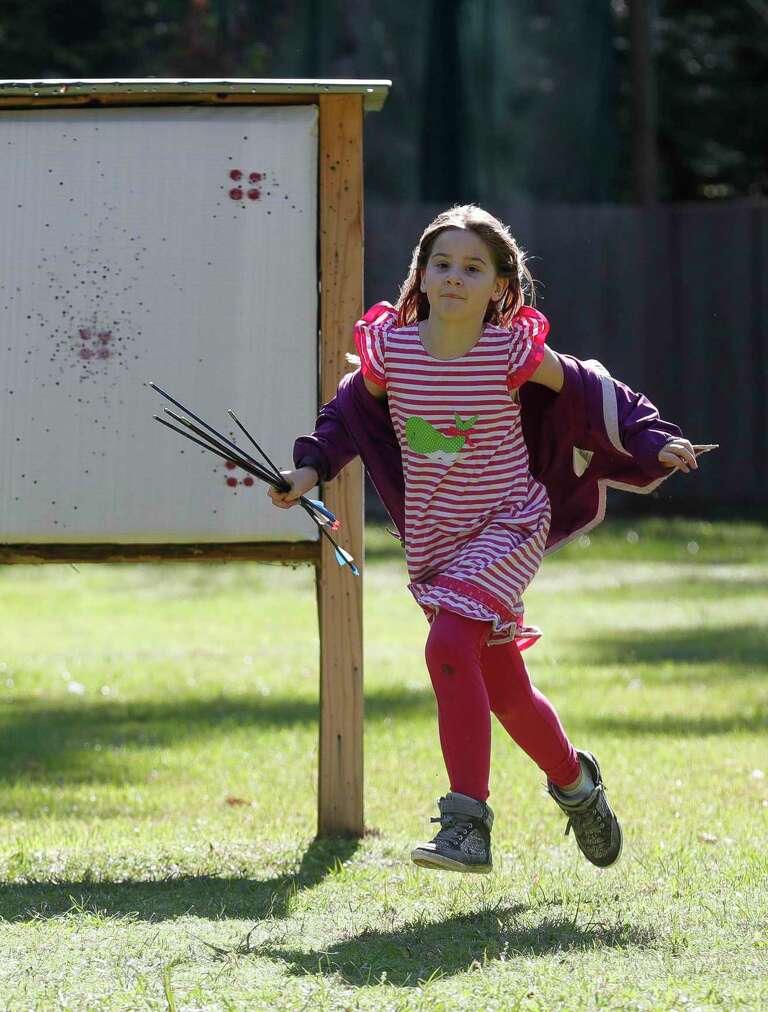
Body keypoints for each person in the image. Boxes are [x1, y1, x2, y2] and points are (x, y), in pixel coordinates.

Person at [272, 205, 703, 874]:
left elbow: (593, 391)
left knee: (447, 645)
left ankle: (466, 825)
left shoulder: (513, 353)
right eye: (440, 264)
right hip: (436, 542)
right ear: (420, 275)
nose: (453, 277)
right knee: (503, 690)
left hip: (509, 525)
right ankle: (578, 786)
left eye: (472, 267)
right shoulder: (392, 352)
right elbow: (347, 417)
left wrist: (651, 438)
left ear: (500, 286)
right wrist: (305, 473)